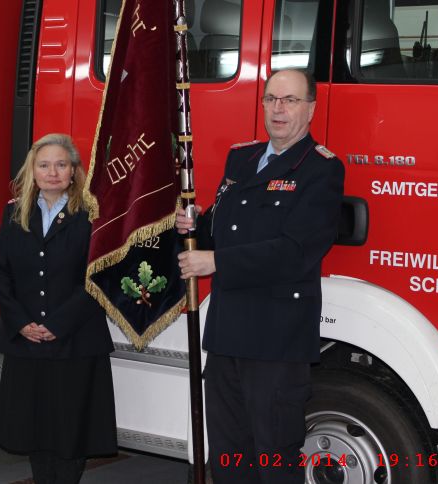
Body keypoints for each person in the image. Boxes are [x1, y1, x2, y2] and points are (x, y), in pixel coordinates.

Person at [176, 69, 344, 483]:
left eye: (289, 100)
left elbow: (296, 252)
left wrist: (217, 262)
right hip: (228, 332)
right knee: (229, 455)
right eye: (271, 99)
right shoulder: (243, 157)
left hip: (276, 341)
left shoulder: (321, 169)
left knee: (273, 456)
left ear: (311, 109)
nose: (278, 109)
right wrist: (196, 223)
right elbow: (227, 223)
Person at [0, 133, 117, 484]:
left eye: (61, 164)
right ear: (32, 170)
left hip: (75, 342)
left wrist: (58, 323)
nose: (52, 172)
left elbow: (100, 275)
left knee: (70, 432)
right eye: (44, 165)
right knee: (36, 430)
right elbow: (0, 271)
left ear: (74, 171)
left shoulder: (93, 215)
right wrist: (21, 322)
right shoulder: (15, 213)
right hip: (28, 342)